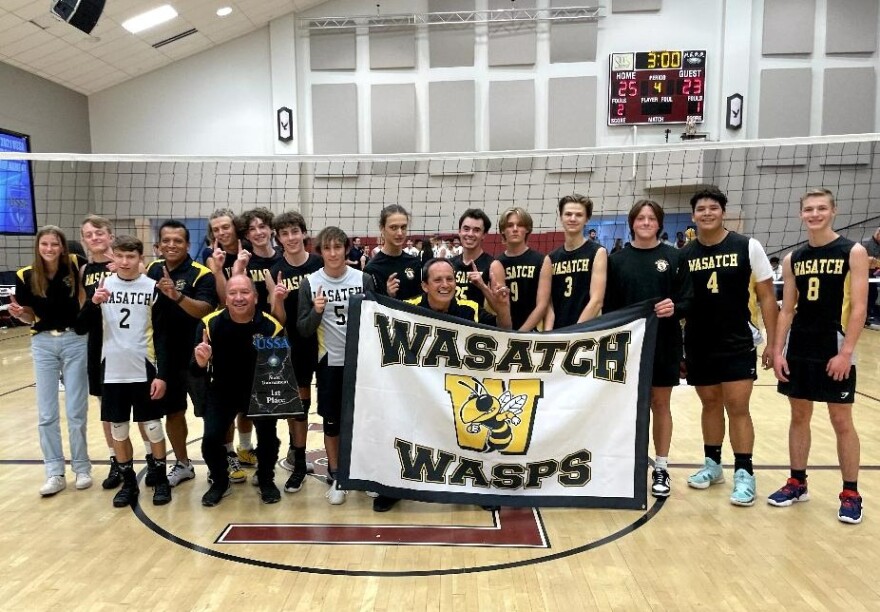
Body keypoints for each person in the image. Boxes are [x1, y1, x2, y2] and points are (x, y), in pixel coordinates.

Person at [769, 188, 869, 524]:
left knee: (841, 420)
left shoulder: (852, 251)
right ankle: (797, 482)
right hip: (800, 346)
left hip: (835, 344)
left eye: (821, 208)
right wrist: (778, 350)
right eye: (809, 209)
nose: (815, 214)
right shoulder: (793, 258)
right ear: (801, 214)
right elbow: (787, 309)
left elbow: (859, 307)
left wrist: (846, 352)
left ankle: (851, 493)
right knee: (799, 415)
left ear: (833, 211)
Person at [681, 187, 778, 507]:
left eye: (713, 208)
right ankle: (712, 466)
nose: (707, 213)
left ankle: (744, 473)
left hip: (737, 341)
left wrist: (773, 343)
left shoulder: (747, 246)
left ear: (722, 211)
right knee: (709, 404)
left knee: (738, 407)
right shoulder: (686, 254)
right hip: (698, 342)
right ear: (693, 215)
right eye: (701, 209)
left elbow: (766, 296)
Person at [604, 200, 693, 498]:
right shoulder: (617, 260)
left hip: (663, 343)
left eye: (651, 218)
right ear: (632, 222)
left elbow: (688, 300)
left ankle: (662, 467)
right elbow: (609, 308)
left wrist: (675, 307)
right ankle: (627, 465)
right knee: (626, 408)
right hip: (628, 345)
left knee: (660, 403)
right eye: (640, 218)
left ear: (659, 223)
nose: (645, 222)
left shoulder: (675, 257)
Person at [87, 235, 171, 507]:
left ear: (140, 258)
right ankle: (129, 484)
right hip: (111, 370)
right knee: (119, 431)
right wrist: (93, 303)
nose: (125, 262)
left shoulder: (152, 288)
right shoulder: (102, 286)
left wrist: (162, 374)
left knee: (154, 427)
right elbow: (81, 326)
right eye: (120, 256)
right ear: (113, 256)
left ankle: (160, 480)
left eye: (131, 256)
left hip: (144, 367)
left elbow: (162, 336)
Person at [10, 226, 91, 496]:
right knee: (46, 414)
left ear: (62, 246)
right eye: (44, 244)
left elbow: (88, 288)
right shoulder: (26, 275)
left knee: (76, 410)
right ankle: (54, 472)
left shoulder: (76, 264)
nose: (49, 249)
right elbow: (28, 317)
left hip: (75, 340)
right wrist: (20, 313)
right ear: (38, 246)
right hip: (43, 342)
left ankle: (82, 468)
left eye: (54, 244)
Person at [193, 275, 286, 506]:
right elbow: (193, 369)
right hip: (222, 390)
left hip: (260, 389)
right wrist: (201, 363)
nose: (238, 297)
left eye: (244, 292)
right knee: (211, 438)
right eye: (233, 293)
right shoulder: (209, 325)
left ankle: (266, 479)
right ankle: (220, 482)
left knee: (268, 438)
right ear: (226, 298)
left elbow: (280, 368)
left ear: (255, 298)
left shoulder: (271, 327)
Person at [298, 227, 369, 506]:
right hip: (329, 362)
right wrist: (316, 312)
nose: (333, 253)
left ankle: (363, 474)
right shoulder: (310, 283)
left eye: (338, 247)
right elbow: (303, 329)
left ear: (346, 249)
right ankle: (337, 475)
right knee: (332, 422)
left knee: (362, 421)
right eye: (327, 248)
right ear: (320, 252)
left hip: (361, 362)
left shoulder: (364, 279)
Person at [363, 205, 426, 512]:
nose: (400, 233)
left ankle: (415, 474)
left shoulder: (416, 262)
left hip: (418, 352)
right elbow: (371, 315)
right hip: (388, 355)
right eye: (394, 227)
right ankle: (388, 483)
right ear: (382, 229)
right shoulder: (373, 269)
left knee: (416, 415)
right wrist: (387, 296)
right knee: (389, 417)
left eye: (404, 227)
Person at [146, 220, 218, 487]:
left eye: (178, 240)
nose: (171, 245)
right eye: (166, 240)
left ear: (187, 245)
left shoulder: (201, 274)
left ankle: (217, 464)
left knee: (211, 413)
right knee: (173, 413)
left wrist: (176, 295)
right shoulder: (151, 270)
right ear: (159, 245)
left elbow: (205, 309)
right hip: (165, 357)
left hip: (197, 356)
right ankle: (183, 464)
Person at [269, 211, 323, 493]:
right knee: (299, 408)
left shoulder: (320, 264)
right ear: (278, 238)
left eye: (294, 232)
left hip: (325, 342)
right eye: (284, 233)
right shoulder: (275, 270)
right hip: (295, 346)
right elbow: (277, 320)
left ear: (304, 233)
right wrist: (277, 299)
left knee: (331, 407)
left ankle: (341, 464)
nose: (290, 238)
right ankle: (299, 462)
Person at [231, 208, 282, 467]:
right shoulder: (244, 263)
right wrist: (237, 268)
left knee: (270, 403)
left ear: (271, 229)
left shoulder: (283, 258)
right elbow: (230, 297)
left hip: (277, 337)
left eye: (263, 226)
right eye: (252, 229)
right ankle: (245, 448)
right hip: (246, 338)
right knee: (244, 402)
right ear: (246, 235)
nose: (259, 232)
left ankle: (269, 459)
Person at [545, 194, 607, 330]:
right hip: (557, 332)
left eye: (579, 215)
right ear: (561, 217)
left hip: (584, 332)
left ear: (587, 219)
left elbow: (596, 301)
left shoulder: (597, 252)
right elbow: (548, 304)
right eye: (568, 214)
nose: (573, 219)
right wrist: (548, 333)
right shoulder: (551, 258)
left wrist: (574, 333)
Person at [496, 207, 551, 331]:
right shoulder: (497, 263)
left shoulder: (542, 260)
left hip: (533, 332)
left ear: (527, 229)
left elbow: (543, 305)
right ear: (503, 230)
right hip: (505, 330)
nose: (515, 229)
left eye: (520, 225)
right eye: (510, 225)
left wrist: (521, 334)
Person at [450, 208, 506, 307]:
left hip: (477, 321)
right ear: (459, 231)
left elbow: (500, 309)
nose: (470, 234)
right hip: (450, 321)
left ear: (484, 235)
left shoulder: (493, 266)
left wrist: (483, 286)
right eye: (466, 229)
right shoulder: (449, 264)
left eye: (476, 230)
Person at [861, 227, 880, 326]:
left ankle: (866, 316)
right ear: (878, 234)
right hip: (861, 275)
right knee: (865, 296)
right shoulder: (866, 243)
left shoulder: (878, 245)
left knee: (872, 295)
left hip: (871, 275)